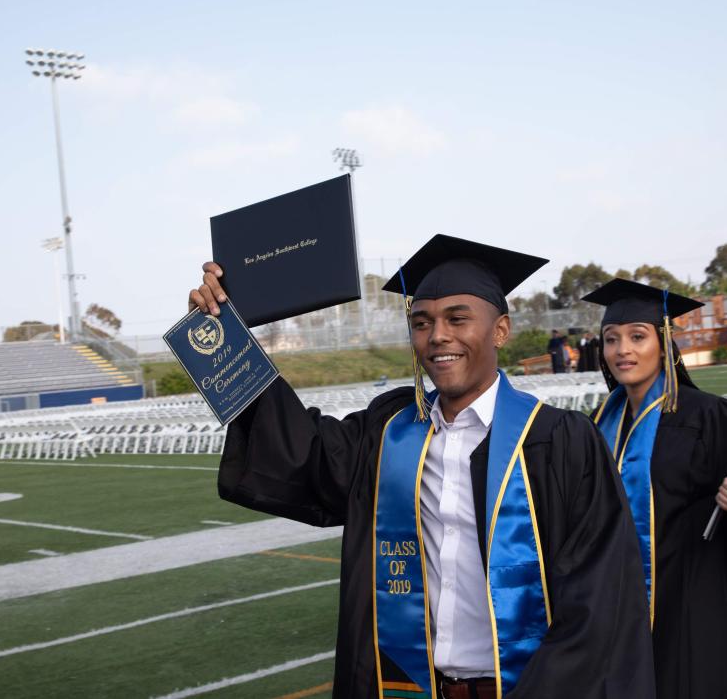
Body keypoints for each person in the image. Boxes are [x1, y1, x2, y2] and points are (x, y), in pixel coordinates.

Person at [191, 234, 655, 699]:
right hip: (409, 686)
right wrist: (222, 339)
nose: (438, 336)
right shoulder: (387, 431)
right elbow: (302, 452)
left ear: (500, 330)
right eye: (421, 322)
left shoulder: (560, 441)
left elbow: (600, 600)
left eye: (458, 319)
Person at [583, 277, 727, 699]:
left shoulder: (710, 416)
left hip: (695, 591)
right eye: (611, 340)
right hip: (618, 600)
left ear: (664, 343)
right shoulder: (597, 424)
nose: (622, 350)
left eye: (637, 336)